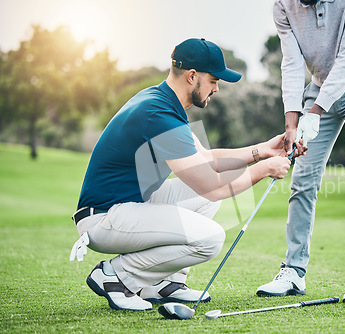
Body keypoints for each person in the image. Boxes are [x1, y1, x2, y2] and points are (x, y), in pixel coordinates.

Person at [69, 38, 292, 311]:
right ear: (192, 76)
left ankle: (161, 283)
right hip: (104, 218)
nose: (217, 88)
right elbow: (212, 185)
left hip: (127, 207)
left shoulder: (163, 103)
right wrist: (265, 169)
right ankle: (115, 276)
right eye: (213, 80)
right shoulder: (158, 114)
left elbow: (207, 160)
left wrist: (264, 149)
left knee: (206, 200)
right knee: (210, 238)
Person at [256, 0, 345, 303]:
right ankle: (293, 271)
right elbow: (291, 63)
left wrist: (315, 113)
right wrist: (292, 121)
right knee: (302, 180)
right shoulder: (283, 6)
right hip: (318, 88)